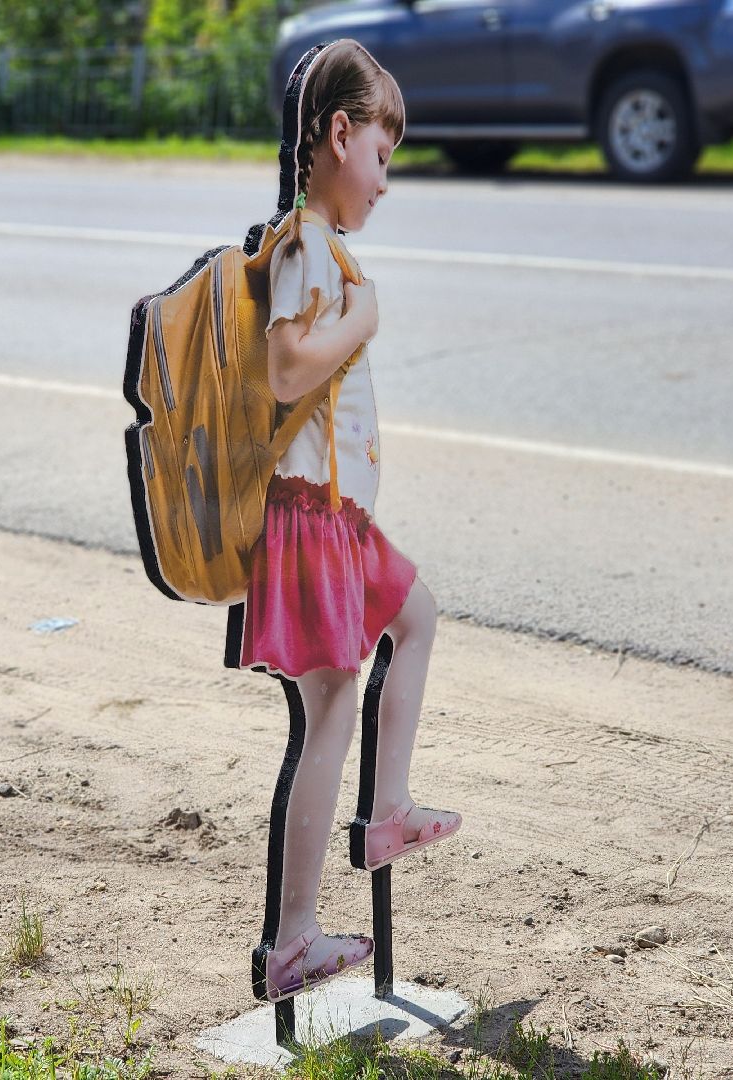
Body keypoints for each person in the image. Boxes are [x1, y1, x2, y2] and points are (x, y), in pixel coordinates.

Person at [238, 40, 463, 1002]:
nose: (386, 180)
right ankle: (292, 940)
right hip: (312, 521)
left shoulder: (326, 252)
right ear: (339, 134)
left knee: (416, 615)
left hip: (337, 522)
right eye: (381, 155)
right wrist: (363, 322)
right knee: (330, 711)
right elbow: (287, 367)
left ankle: (388, 813)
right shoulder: (304, 248)